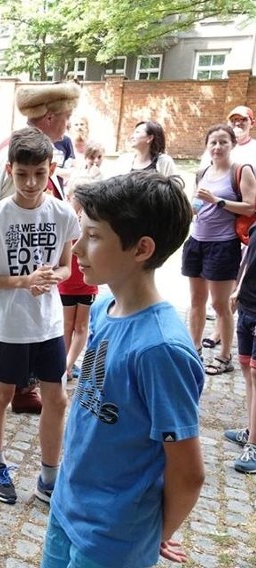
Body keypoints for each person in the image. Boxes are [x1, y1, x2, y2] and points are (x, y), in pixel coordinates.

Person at [43, 171, 205, 568]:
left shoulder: (161, 348)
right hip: (67, 507)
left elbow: (188, 473)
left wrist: (153, 534)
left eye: (94, 236)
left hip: (113, 538)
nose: (77, 248)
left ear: (141, 249)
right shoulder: (103, 309)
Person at [0, 127, 80, 505]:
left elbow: (66, 266)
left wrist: (52, 278)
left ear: (51, 168)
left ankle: (50, 476)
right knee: (2, 393)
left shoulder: (63, 213)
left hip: (48, 322)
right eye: (22, 174)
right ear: (9, 171)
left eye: (39, 173)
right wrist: (22, 281)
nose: (31, 183)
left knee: (58, 398)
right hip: (10, 324)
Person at [0, 81, 82, 414]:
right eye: (64, 116)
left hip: (28, 274)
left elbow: (63, 259)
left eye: (39, 174)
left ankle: (23, 389)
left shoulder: (36, 151)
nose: (67, 124)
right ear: (49, 117)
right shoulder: (18, 150)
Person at [182, 125, 256, 375]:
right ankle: (195, 349)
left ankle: (225, 356)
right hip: (197, 241)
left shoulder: (241, 170)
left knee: (220, 304)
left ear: (232, 144)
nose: (217, 147)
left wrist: (218, 201)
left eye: (223, 142)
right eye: (213, 142)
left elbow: (250, 206)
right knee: (196, 301)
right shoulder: (203, 171)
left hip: (223, 245)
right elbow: (196, 206)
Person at [59, 141, 104, 380]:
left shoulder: (94, 220)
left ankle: (68, 364)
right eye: (78, 197)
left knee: (82, 326)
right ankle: (62, 364)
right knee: (67, 325)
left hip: (87, 279)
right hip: (67, 279)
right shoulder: (65, 218)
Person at [227, 222, 256, 473]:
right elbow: (250, 257)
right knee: (247, 369)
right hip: (247, 306)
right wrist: (238, 288)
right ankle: (251, 430)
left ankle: (254, 445)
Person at [111, 120, 175, 176]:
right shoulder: (123, 160)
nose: (132, 136)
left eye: (137, 132)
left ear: (150, 138)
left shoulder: (164, 162)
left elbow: (174, 187)